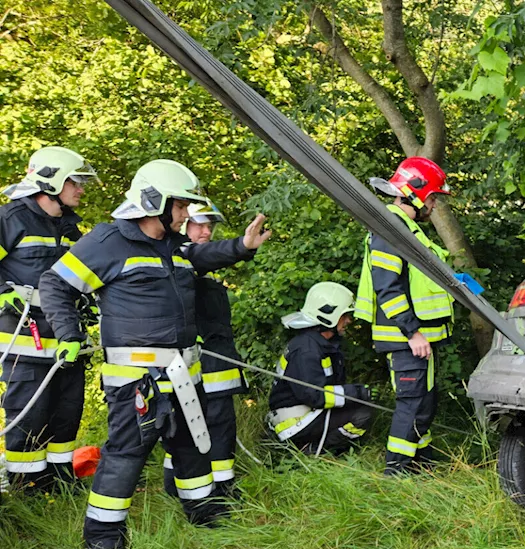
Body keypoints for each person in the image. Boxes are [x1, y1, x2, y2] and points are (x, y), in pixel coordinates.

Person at [39, 159, 270, 549]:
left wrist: (242, 247)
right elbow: (56, 283)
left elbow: (201, 256)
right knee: (125, 457)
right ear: (155, 202)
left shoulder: (172, 246)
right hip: (136, 381)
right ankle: (103, 544)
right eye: (181, 206)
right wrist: (69, 335)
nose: (186, 214)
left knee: (192, 449)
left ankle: (206, 515)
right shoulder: (107, 242)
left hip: (183, 374)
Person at [0, 146, 97, 494]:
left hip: (68, 338)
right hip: (25, 340)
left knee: (66, 415)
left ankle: (60, 482)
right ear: (51, 181)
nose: (81, 189)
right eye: (75, 181)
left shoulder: (70, 228)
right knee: (29, 416)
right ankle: (26, 488)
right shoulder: (10, 219)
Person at [355, 157, 454, 476]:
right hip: (407, 339)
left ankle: (420, 464)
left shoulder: (404, 228)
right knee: (412, 404)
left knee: (424, 403)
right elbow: (388, 289)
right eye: (434, 197)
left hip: (417, 338)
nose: (434, 205)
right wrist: (413, 333)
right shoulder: (390, 228)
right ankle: (395, 474)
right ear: (416, 191)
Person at [162, 203, 247, 500]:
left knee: (211, 423)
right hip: (201, 361)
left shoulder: (192, 263)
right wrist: (243, 245)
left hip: (214, 358)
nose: (206, 231)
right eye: (198, 224)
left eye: (209, 225)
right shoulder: (182, 257)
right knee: (208, 424)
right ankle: (219, 489)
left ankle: (199, 484)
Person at [267, 282, 374, 455]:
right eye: (344, 315)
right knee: (362, 413)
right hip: (293, 421)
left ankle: (316, 447)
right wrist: (356, 393)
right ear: (328, 316)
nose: (349, 320)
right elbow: (314, 396)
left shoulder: (319, 344)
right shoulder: (307, 350)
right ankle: (314, 451)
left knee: (357, 406)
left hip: (305, 413)